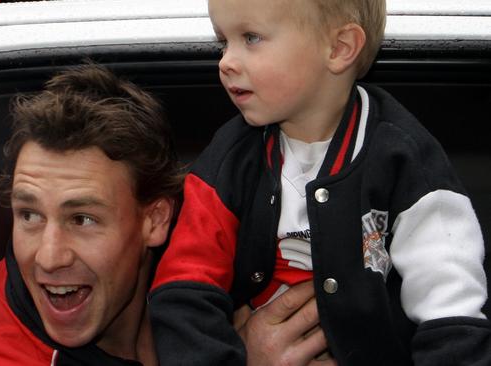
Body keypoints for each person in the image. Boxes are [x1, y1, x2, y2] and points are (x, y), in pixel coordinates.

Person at [148, 1, 491, 365]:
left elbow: (452, 309)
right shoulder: (228, 161)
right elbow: (183, 291)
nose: (226, 61)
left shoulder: (404, 160)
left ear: (340, 48)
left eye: (251, 37)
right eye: (223, 42)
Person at [0, 63, 334, 366]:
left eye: (82, 219)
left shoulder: (198, 280)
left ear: (154, 221)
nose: (49, 257)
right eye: (29, 215)